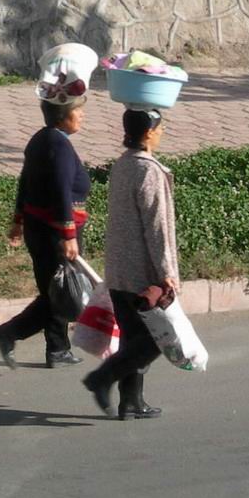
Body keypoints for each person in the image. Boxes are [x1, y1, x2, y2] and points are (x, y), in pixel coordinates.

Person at [82, 108, 178, 420]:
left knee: (131, 336)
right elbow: (156, 227)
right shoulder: (149, 171)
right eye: (160, 128)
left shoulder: (123, 164)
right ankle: (102, 378)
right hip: (141, 272)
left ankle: (131, 401)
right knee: (156, 340)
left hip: (119, 268)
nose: (162, 132)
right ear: (148, 133)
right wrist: (166, 272)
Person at [0, 97, 90, 369]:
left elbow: (25, 182)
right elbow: (61, 191)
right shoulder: (59, 146)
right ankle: (9, 333)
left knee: (56, 288)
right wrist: (68, 235)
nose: (82, 115)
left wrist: (18, 220)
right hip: (54, 233)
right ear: (62, 116)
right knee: (61, 292)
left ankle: (58, 348)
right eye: (77, 110)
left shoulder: (41, 139)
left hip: (39, 228)